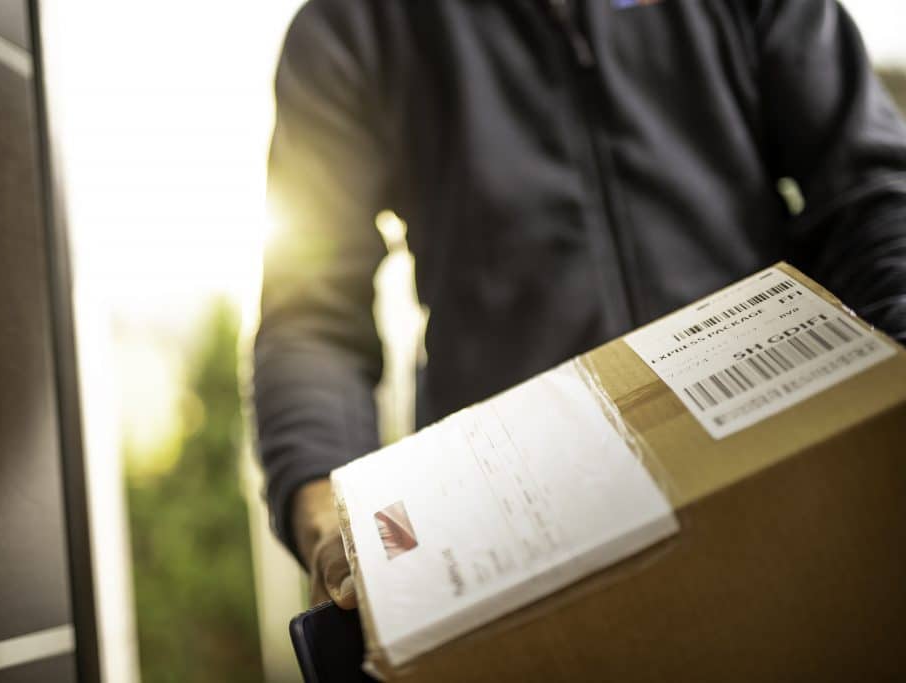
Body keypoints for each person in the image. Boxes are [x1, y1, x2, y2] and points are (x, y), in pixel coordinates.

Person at [252, 0, 906, 608]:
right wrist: (326, 509)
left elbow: (869, 192)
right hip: (520, 552)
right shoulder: (355, 24)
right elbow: (313, 318)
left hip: (791, 478)